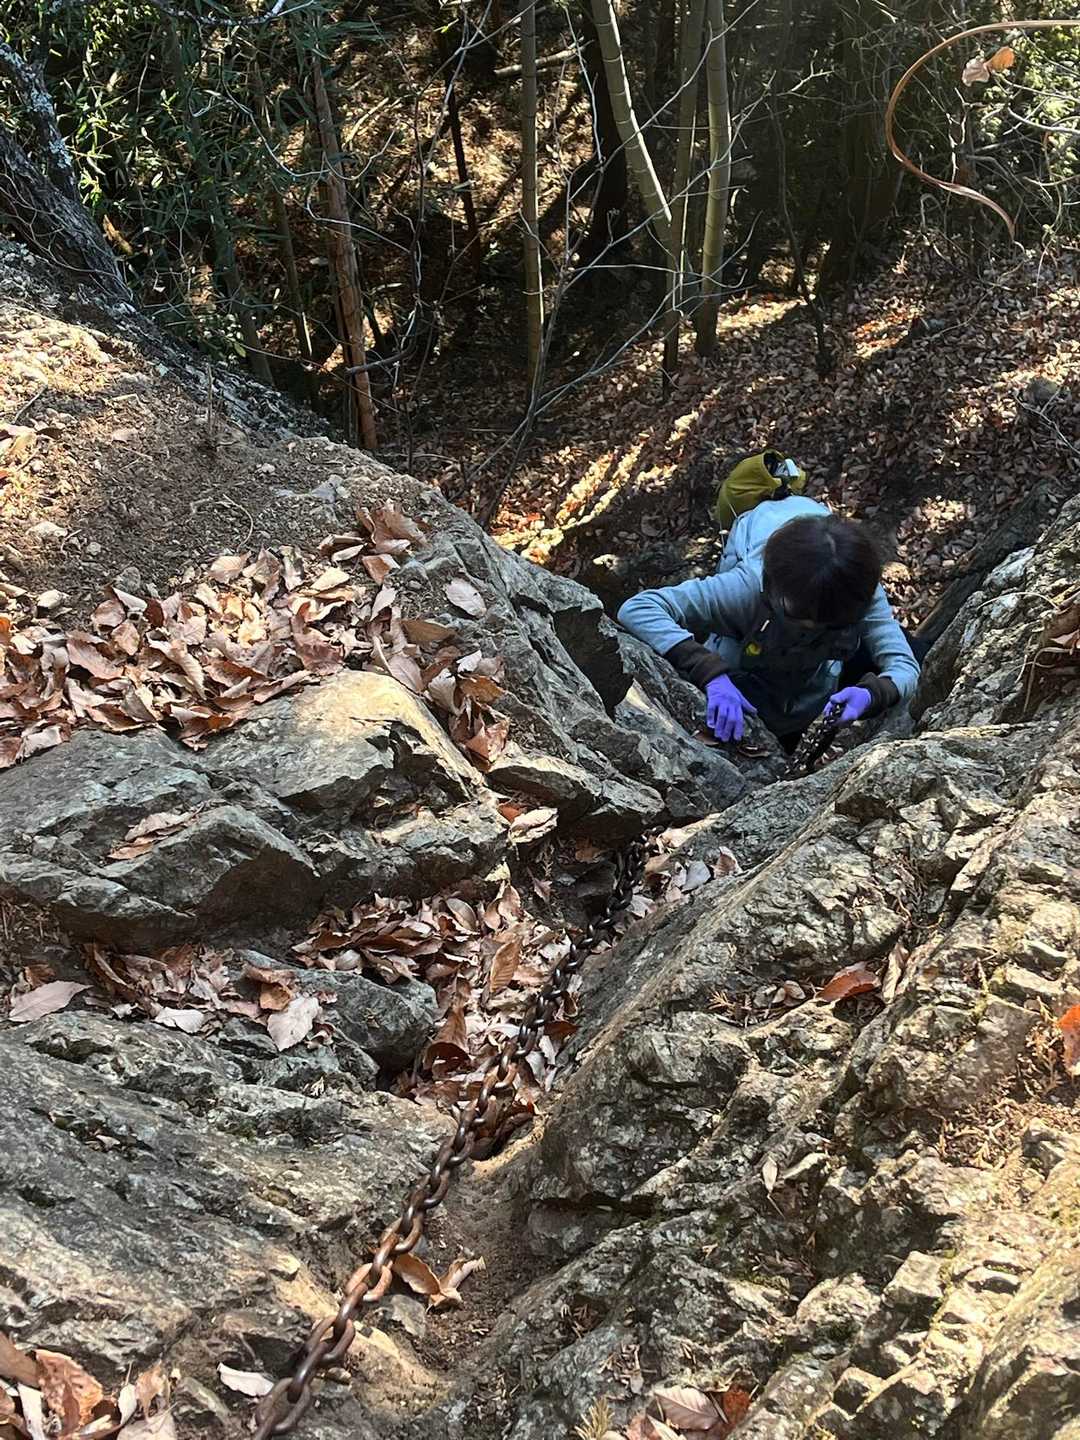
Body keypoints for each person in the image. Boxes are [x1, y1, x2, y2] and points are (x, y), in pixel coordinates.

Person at [617, 489, 920, 750]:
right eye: (801, 616)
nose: (811, 625)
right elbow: (641, 608)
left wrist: (872, 694)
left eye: (824, 622)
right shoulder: (746, 588)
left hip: (808, 688)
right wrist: (710, 673)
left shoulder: (857, 592)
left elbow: (905, 666)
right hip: (748, 659)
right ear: (774, 589)